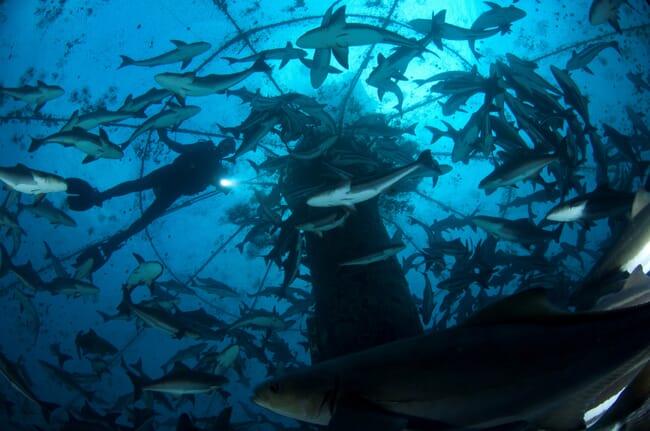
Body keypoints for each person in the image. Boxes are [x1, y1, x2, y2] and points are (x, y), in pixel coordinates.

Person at [65, 130, 235, 273]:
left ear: (228, 154)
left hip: (175, 189)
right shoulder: (204, 146)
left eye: (229, 149)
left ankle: (118, 239)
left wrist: (225, 187)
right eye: (226, 144)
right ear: (221, 143)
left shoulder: (218, 169)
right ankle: (100, 196)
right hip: (170, 173)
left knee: (149, 217)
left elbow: (218, 184)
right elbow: (181, 148)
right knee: (137, 185)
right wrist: (165, 138)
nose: (225, 149)